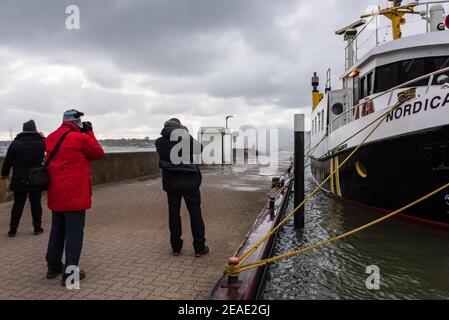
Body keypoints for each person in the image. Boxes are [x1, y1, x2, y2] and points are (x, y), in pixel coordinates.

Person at [45, 109, 104, 286]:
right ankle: (70, 275)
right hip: (75, 195)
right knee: (74, 235)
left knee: (57, 231)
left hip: (56, 193)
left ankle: (53, 267)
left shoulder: (51, 137)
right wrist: (90, 132)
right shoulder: (80, 138)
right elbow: (98, 153)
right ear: (76, 121)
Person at [155, 118, 209, 257]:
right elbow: (199, 149)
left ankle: (176, 248)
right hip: (190, 182)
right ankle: (199, 248)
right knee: (195, 214)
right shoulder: (184, 138)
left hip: (171, 183)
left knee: (174, 215)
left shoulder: (159, 142)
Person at [1, 120, 45, 237]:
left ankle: (13, 229)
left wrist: (4, 174)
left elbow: (7, 162)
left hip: (19, 177)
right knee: (35, 203)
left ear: (23, 129)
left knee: (18, 204)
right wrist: (43, 138)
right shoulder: (41, 142)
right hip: (36, 178)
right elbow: (51, 151)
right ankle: (37, 227)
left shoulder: (15, 143)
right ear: (34, 129)